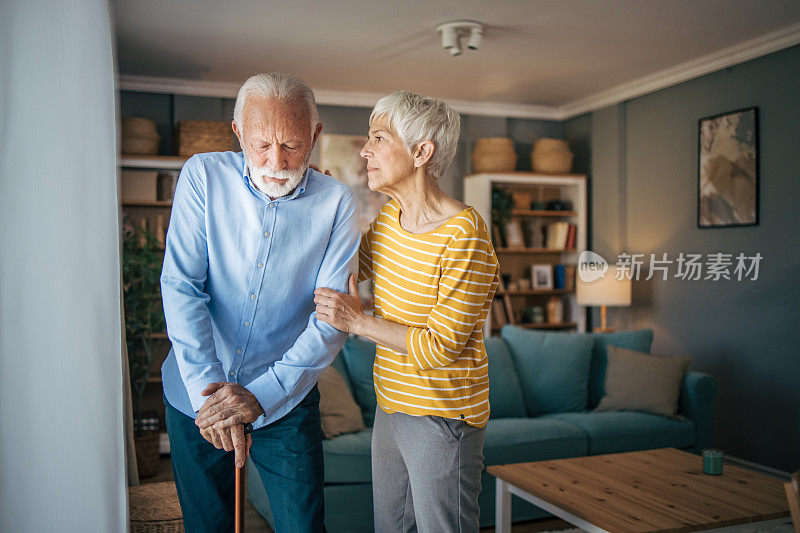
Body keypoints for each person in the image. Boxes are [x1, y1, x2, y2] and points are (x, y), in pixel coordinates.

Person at [160, 72, 359, 532]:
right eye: (261, 144)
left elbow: (331, 318)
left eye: (291, 144)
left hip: (284, 401)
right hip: (194, 395)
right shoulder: (202, 175)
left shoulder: (337, 202)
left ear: (315, 134)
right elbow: (182, 285)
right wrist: (210, 396)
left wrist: (261, 394)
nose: (276, 160)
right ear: (237, 133)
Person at [314, 91, 499, 532]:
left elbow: (440, 348)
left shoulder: (464, 234)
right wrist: (321, 208)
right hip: (391, 406)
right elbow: (345, 270)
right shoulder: (389, 218)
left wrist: (357, 321)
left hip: (441, 413)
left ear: (421, 152)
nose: (366, 150)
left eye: (379, 137)